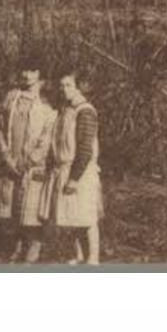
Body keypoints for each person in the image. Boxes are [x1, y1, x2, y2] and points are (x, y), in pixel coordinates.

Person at [43, 69, 103, 265]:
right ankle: (78, 255)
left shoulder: (85, 111)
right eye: (61, 85)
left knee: (87, 217)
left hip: (81, 172)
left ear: (78, 88)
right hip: (63, 169)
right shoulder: (64, 110)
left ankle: (93, 257)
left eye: (69, 85)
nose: (64, 89)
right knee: (71, 216)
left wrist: (74, 178)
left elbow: (85, 149)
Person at [0, 61, 56, 262]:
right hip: (12, 160)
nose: (26, 74)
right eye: (24, 69)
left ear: (39, 74)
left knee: (32, 206)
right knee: (14, 205)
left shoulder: (47, 103)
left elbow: (47, 137)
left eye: (32, 70)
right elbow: (0, 128)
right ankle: (18, 243)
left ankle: (35, 244)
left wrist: (29, 161)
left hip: (33, 165)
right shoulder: (12, 97)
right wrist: (6, 156)